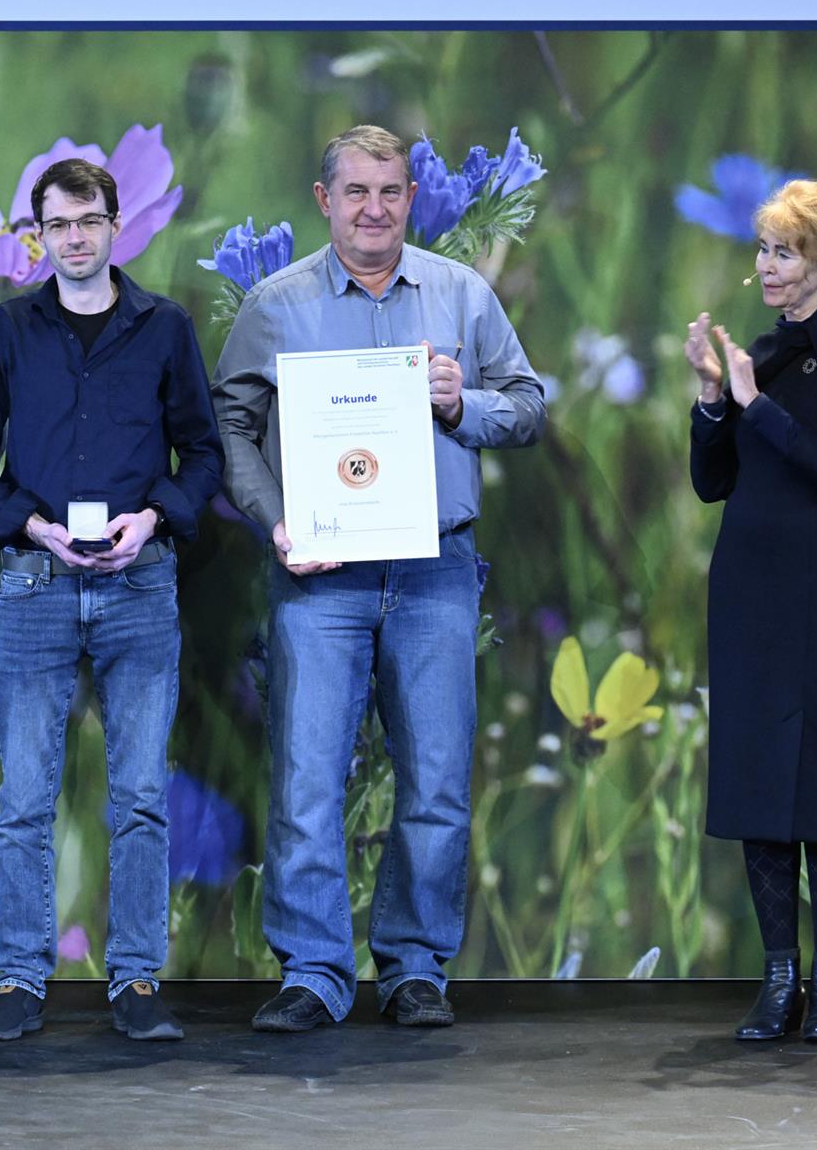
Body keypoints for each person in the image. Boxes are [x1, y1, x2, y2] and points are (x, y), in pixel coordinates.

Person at [212, 124, 545, 1032]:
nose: (374, 208)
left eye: (390, 191)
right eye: (355, 191)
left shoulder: (461, 292)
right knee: (308, 778)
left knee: (435, 780)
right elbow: (229, 426)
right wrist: (274, 519)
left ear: (410, 197)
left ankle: (414, 968)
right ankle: (314, 973)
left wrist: (462, 404)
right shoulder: (275, 304)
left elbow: (528, 406)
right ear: (325, 201)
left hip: (436, 571)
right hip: (320, 575)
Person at [0, 159, 223, 1042]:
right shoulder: (9, 331)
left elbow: (203, 455)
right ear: (39, 236)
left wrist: (155, 518)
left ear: (115, 226)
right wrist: (32, 527)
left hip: (139, 583)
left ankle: (136, 980)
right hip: (36, 582)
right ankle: (20, 980)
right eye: (58, 225)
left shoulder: (164, 327)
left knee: (140, 793)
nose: (74, 238)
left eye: (89, 221)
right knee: (25, 797)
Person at [686, 179, 817, 1044]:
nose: (767, 266)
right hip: (751, 587)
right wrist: (711, 401)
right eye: (764, 250)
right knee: (759, 774)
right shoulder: (757, 355)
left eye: (786, 252)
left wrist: (757, 408)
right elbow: (712, 483)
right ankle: (779, 979)